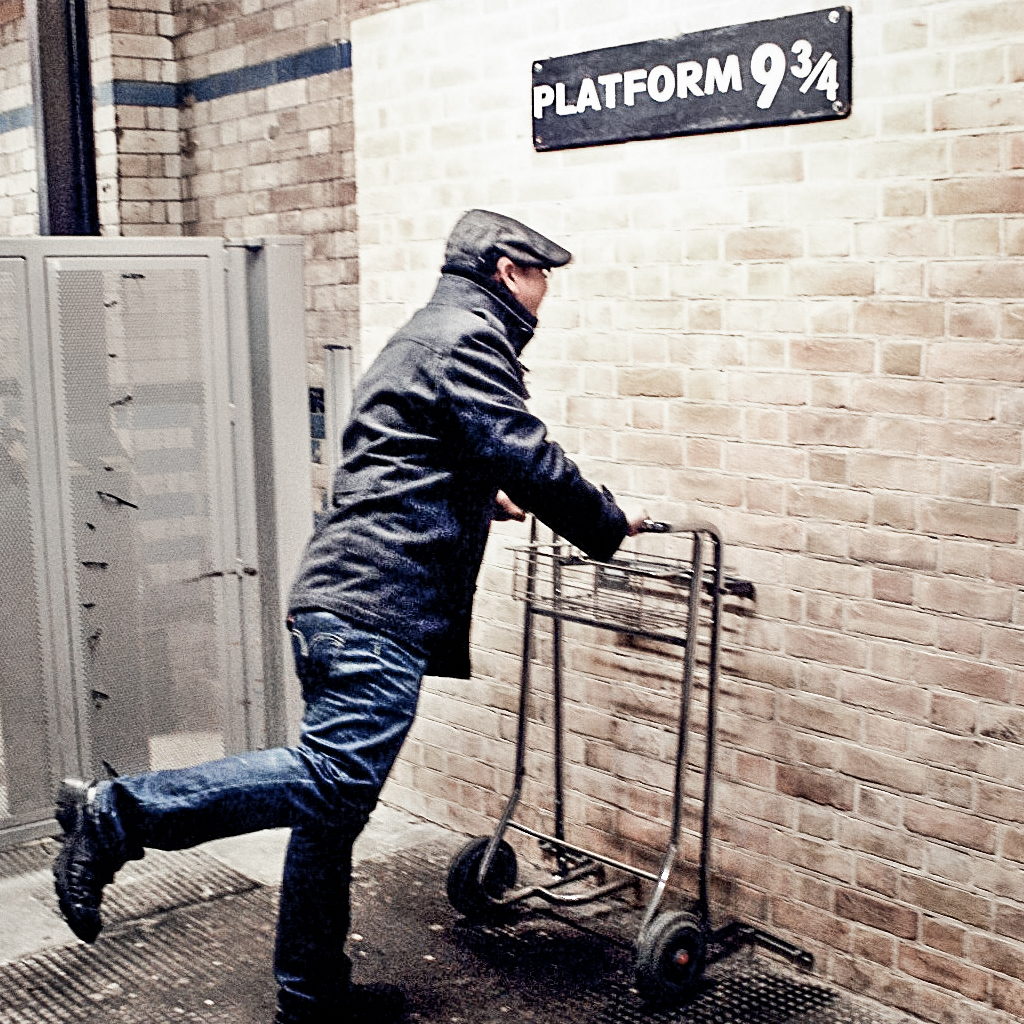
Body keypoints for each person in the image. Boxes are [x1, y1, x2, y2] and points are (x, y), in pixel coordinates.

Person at [52, 208, 648, 1024]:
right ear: (510, 270)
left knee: (330, 812)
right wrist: (607, 523)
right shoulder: (468, 340)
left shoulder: (425, 335)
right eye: (542, 275)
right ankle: (117, 814)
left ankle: (313, 996)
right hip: (375, 606)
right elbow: (528, 455)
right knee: (334, 779)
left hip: (341, 598)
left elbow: (406, 456)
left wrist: (480, 499)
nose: (547, 292)